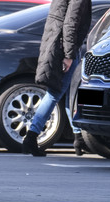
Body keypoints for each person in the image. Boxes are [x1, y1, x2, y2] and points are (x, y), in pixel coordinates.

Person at [22, 0, 91, 157]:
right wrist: (68, 55)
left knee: (69, 94)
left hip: (60, 45)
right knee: (55, 93)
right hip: (67, 50)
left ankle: (79, 138)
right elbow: (70, 24)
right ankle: (31, 137)